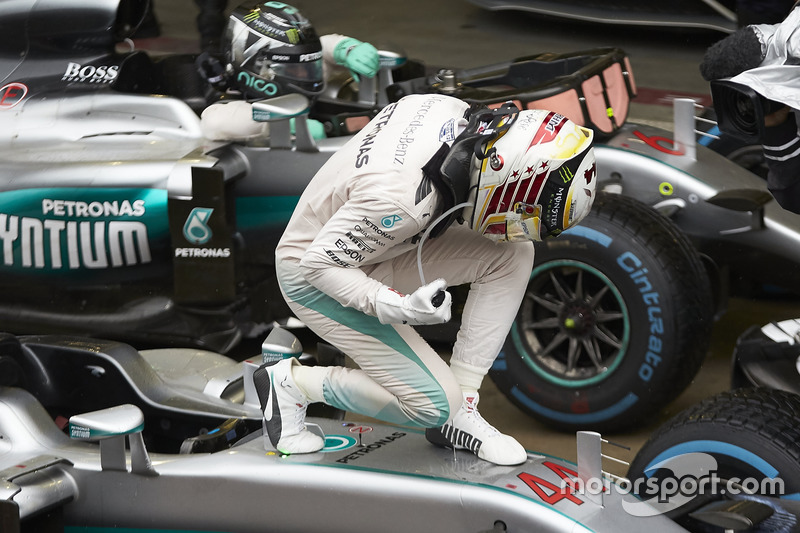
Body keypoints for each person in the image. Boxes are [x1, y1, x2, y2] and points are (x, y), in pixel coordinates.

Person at [253, 93, 596, 466]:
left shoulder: (455, 113)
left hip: (374, 242)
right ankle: (291, 384)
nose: (515, 226)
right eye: (522, 213)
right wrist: (395, 304)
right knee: (432, 405)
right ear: (506, 174)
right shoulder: (402, 203)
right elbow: (318, 266)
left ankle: (461, 411)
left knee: (514, 253)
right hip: (312, 277)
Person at [198, 1, 380, 142]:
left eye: (309, 65)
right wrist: (281, 124)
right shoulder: (226, 109)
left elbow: (321, 51)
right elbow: (215, 123)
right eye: (295, 69)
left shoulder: (302, 69)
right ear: (261, 70)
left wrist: (346, 48)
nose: (306, 73)